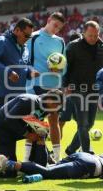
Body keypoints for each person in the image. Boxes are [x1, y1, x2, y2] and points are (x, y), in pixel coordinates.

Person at [25, 12, 66, 162]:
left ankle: (57, 158)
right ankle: (26, 158)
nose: (56, 29)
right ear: (48, 21)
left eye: (59, 28)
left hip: (54, 85)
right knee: (34, 120)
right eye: (55, 25)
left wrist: (59, 70)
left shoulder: (60, 42)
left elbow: (64, 65)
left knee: (54, 120)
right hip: (36, 84)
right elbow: (24, 60)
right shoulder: (34, 37)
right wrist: (30, 72)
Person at [63, 21, 103, 155]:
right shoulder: (73, 46)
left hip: (93, 89)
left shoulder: (102, 46)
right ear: (83, 33)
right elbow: (66, 68)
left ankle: (71, 149)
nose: (93, 38)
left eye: (96, 35)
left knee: (90, 124)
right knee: (83, 123)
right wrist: (66, 85)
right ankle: (87, 151)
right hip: (77, 88)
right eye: (90, 35)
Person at [0, 18, 38, 110]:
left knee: (18, 124)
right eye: (26, 35)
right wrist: (8, 72)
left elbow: (25, 67)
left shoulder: (25, 49)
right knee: (3, 124)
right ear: (17, 30)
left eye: (30, 37)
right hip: (4, 95)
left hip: (20, 95)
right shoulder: (1, 41)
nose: (27, 39)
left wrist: (30, 72)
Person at [59, 32, 82, 138]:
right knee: (62, 120)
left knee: (81, 122)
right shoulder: (66, 55)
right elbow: (64, 74)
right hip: (69, 94)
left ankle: (79, 145)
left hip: (79, 93)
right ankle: (58, 142)